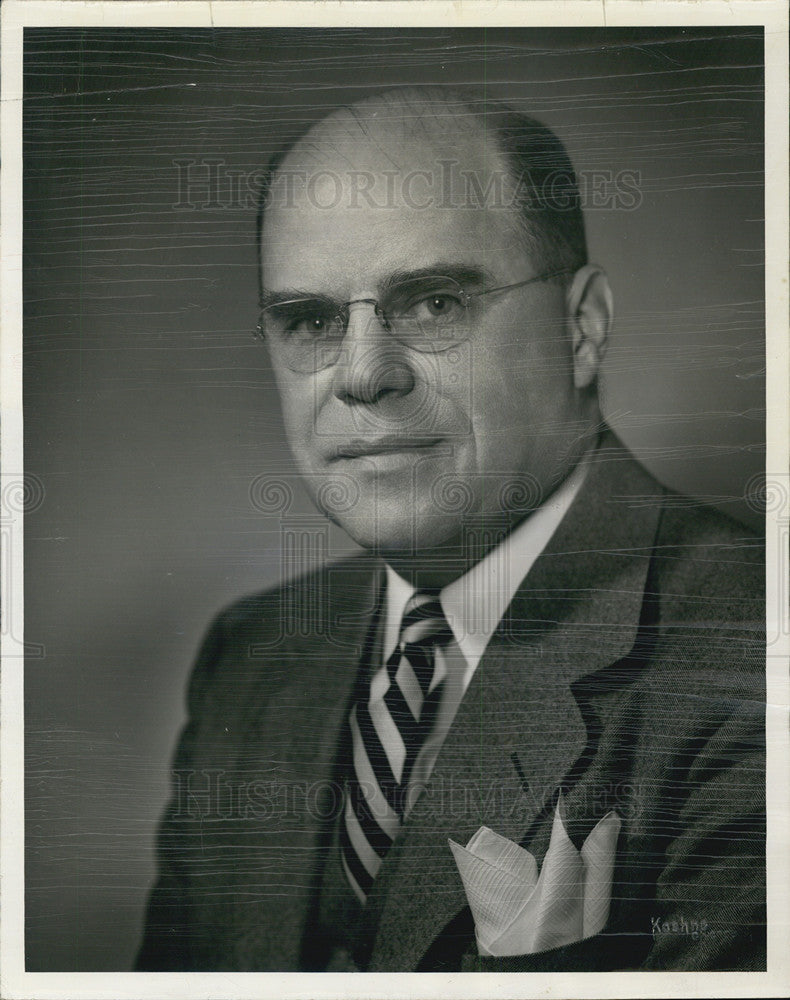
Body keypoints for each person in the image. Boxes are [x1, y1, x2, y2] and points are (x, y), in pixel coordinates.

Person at [135, 86, 765, 973]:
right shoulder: (252, 659)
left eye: (434, 304)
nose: (362, 375)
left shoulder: (752, 646)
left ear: (582, 329)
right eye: (311, 321)